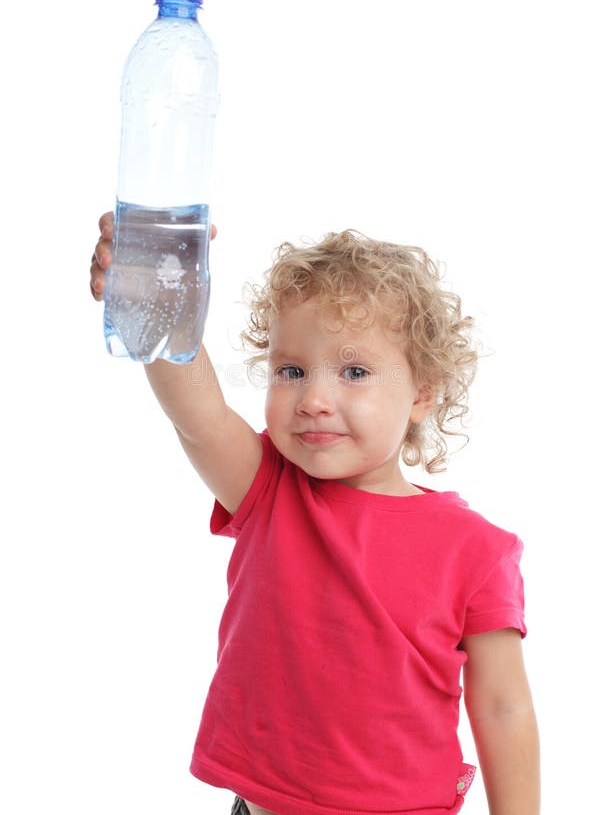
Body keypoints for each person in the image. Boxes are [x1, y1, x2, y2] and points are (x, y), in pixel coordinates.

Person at [90, 214, 540, 815]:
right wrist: (158, 311)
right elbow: (197, 414)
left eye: (354, 372)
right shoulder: (268, 486)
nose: (314, 399)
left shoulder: (477, 550)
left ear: (422, 392)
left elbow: (503, 706)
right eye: (291, 371)